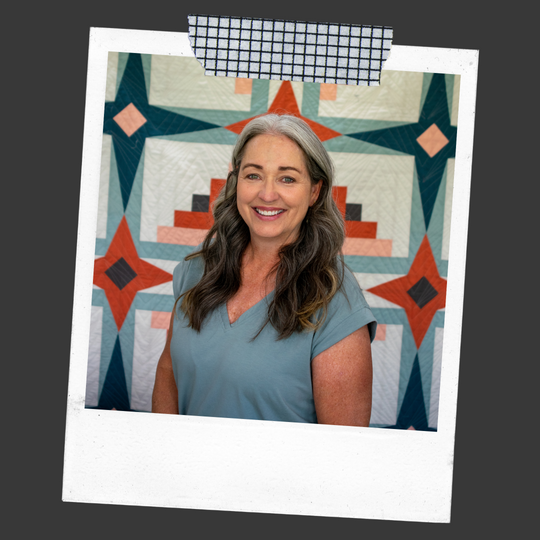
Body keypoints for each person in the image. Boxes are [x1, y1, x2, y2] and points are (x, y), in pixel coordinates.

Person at [152, 113, 377, 426]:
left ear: (314, 192)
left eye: (287, 178)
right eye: (253, 175)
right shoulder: (196, 271)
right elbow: (169, 372)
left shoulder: (336, 297)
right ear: (236, 182)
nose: (267, 194)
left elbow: (343, 445)